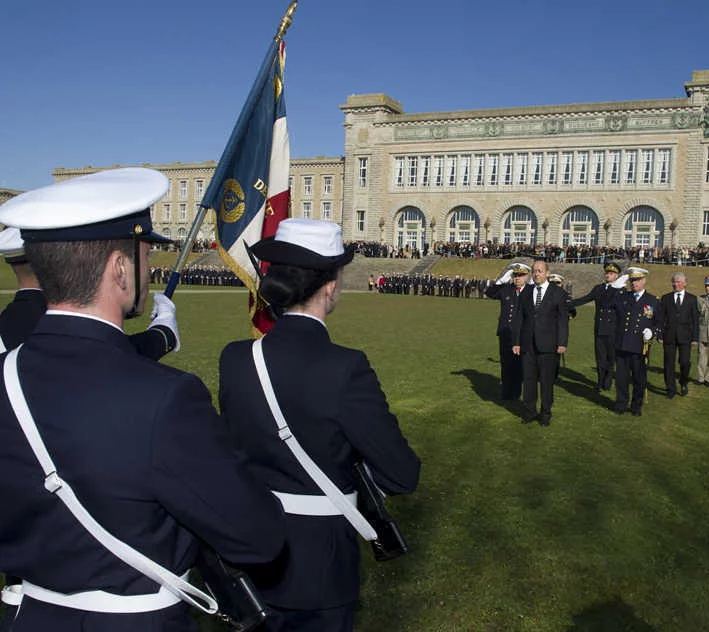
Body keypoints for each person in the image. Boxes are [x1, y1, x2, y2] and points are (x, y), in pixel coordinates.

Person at [0, 168, 285, 631]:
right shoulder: (164, 397)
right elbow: (258, 537)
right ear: (118, 268)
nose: (148, 268)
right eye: (145, 255)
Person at [218, 218, 421, 630]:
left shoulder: (235, 358)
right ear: (330, 287)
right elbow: (402, 473)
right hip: (319, 562)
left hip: (252, 545)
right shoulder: (346, 367)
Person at [0, 227, 180, 358]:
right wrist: (165, 332)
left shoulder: (8, 322)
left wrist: (163, 331)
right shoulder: (60, 322)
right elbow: (109, 360)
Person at [512, 259, 569, 426]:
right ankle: (529, 412)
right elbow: (519, 318)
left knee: (546, 382)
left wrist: (562, 342)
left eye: (540, 271)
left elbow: (562, 321)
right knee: (529, 381)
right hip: (527, 344)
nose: (536, 274)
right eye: (534, 271)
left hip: (549, 345)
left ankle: (545, 414)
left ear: (547, 273)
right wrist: (516, 342)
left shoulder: (558, 293)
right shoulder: (526, 292)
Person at [610, 267, 660, 416]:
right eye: (632, 280)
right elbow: (607, 303)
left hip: (640, 346)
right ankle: (621, 403)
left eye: (637, 280)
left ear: (644, 281)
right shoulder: (623, 297)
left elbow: (659, 322)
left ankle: (636, 406)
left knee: (639, 379)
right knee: (621, 379)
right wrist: (615, 287)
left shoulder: (653, 300)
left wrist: (653, 332)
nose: (634, 283)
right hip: (623, 344)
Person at [569, 262, 622, 391]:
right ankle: (600, 381)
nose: (608, 275)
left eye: (611, 273)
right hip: (599, 328)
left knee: (611, 357)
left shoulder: (620, 290)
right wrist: (568, 304)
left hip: (612, 330)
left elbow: (614, 306)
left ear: (616, 276)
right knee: (600, 357)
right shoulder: (598, 288)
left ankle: (608, 381)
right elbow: (586, 298)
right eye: (607, 273)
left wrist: (616, 289)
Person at [485, 262, 530, 400]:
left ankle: (516, 392)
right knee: (505, 363)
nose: (517, 278)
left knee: (518, 365)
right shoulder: (506, 289)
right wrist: (501, 280)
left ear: (527, 276)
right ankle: (505, 392)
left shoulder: (531, 291)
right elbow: (489, 293)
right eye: (515, 275)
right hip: (505, 332)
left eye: (521, 275)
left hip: (522, 334)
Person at [659, 272, 699, 398]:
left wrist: (695, 337)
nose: (676, 284)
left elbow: (695, 320)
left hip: (685, 336)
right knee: (668, 363)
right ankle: (670, 388)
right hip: (669, 336)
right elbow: (661, 318)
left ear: (685, 283)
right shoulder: (666, 298)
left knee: (685, 362)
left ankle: (683, 382)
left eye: (679, 282)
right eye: (674, 282)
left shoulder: (692, 299)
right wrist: (660, 334)